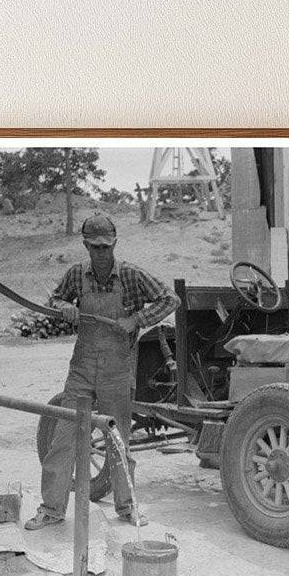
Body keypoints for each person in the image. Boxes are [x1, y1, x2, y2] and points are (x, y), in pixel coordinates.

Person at [25, 214, 179, 531]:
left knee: (119, 441)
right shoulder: (77, 275)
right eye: (94, 247)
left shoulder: (132, 276)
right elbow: (53, 299)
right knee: (63, 439)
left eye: (106, 247)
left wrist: (137, 320)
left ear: (114, 243)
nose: (101, 253)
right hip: (81, 367)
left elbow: (170, 299)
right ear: (85, 245)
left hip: (117, 367)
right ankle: (52, 509)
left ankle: (127, 508)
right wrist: (63, 307)